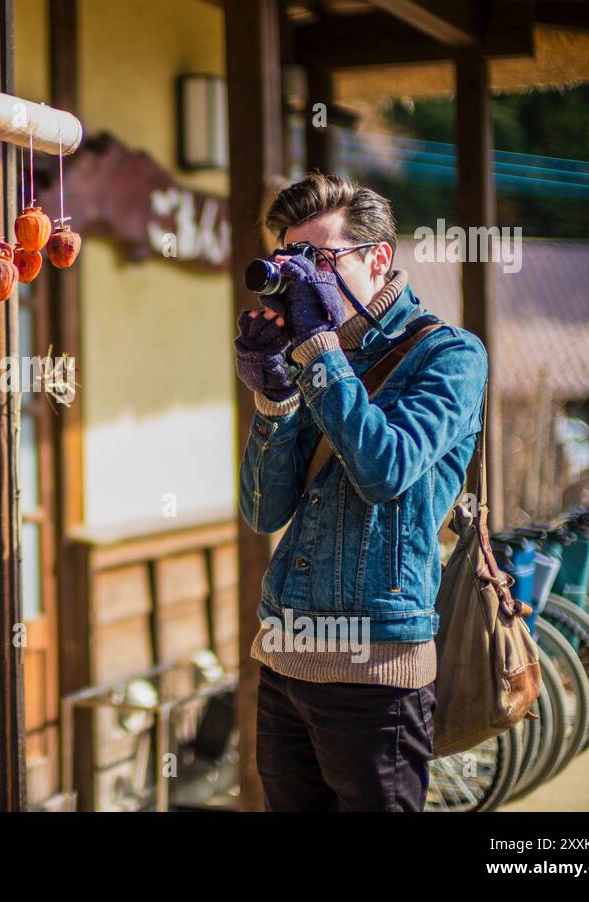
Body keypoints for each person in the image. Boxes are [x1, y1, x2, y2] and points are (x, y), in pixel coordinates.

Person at [234, 173, 487, 811]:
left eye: (320, 259)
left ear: (378, 258)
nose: (302, 277)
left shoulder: (449, 355)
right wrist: (273, 398)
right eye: (291, 260)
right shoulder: (313, 360)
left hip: (376, 674)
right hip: (285, 660)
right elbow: (264, 512)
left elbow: (384, 468)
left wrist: (319, 353)